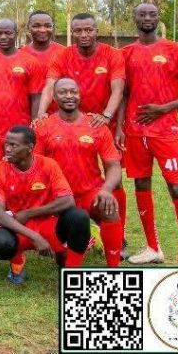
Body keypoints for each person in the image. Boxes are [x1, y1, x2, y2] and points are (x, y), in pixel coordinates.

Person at [121, 2, 178, 266]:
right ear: (134, 18)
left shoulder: (175, 50)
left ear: (159, 18)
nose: (147, 18)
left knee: (177, 188)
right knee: (141, 184)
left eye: (152, 14)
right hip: (135, 132)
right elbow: (123, 94)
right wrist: (120, 127)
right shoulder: (126, 53)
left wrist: (165, 108)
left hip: (166, 132)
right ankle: (153, 248)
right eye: (142, 14)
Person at [35, 79, 125, 267]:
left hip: (89, 193)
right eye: (63, 92)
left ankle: (113, 268)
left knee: (109, 209)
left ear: (79, 94)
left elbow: (114, 165)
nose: (69, 96)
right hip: (57, 198)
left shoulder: (96, 124)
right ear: (54, 97)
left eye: (73, 92)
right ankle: (70, 248)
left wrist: (106, 189)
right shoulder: (43, 126)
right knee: (61, 256)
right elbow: (35, 167)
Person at [0, 126, 91, 283]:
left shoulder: (48, 165)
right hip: (16, 225)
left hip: (47, 223)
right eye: (6, 144)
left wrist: (29, 213)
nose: (7, 149)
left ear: (30, 148)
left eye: (13, 145)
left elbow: (68, 201)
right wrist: (34, 236)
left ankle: (72, 273)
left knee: (79, 217)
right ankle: (17, 263)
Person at [0, 18, 44, 168]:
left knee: (20, 171)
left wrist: (33, 127)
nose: (3, 37)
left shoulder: (30, 62)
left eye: (8, 33)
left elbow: (36, 97)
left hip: (21, 131)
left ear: (16, 33)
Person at [36, 13, 124, 129]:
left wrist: (106, 116)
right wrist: (41, 113)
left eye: (89, 30)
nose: (83, 35)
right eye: (78, 31)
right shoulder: (62, 55)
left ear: (96, 31)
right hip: (71, 124)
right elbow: (49, 87)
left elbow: (118, 90)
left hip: (102, 123)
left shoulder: (113, 54)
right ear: (72, 32)